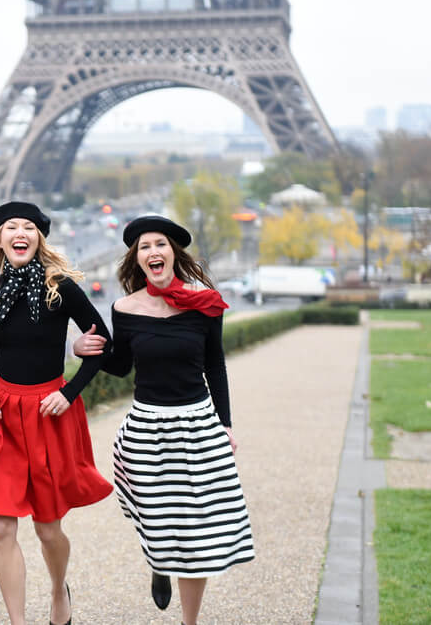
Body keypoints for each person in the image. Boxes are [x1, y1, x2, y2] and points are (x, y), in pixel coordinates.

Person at [0, 201, 113, 625]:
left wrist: (70, 392)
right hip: (1, 415)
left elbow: (101, 343)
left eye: (29, 228)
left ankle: (59, 592)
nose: (20, 233)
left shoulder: (61, 287)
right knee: (2, 528)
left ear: (39, 238)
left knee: (48, 529)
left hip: (50, 413)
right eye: (10, 227)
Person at [95, 215, 255, 625]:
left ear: (173, 253)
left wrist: (226, 424)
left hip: (197, 423)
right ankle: (160, 560)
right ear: (137, 257)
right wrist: (88, 351)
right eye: (144, 246)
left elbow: (215, 366)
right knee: (158, 517)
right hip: (147, 427)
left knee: (198, 533)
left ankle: (189, 622)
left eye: (160, 244)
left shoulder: (205, 303)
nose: (153, 252)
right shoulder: (125, 309)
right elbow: (121, 365)